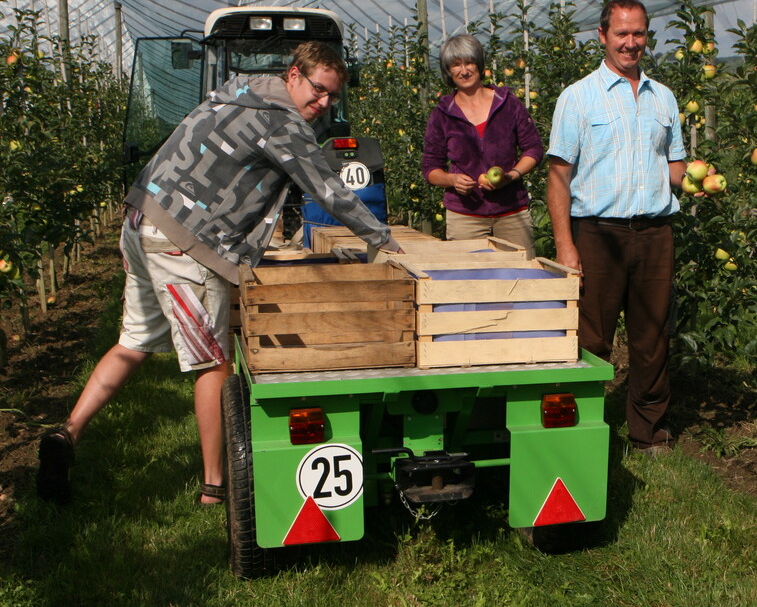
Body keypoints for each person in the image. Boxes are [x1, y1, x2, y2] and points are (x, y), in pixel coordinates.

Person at [37, 41, 400, 505]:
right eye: (318, 89)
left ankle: (66, 434)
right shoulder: (281, 120)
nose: (324, 103)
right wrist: (383, 239)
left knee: (134, 342)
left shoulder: (239, 91)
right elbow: (328, 190)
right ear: (294, 75)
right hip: (184, 241)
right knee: (213, 361)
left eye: (332, 95)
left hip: (142, 219)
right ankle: (215, 487)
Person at [546, 0, 687, 456]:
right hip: (598, 232)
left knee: (652, 336)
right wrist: (566, 245)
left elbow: (674, 166)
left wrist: (696, 181)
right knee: (592, 336)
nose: (631, 43)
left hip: (654, 232)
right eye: (622, 33)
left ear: (648, 36)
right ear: (603, 36)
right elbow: (559, 178)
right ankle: (580, 428)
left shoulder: (663, 98)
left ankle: (648, 432)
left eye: (639, 33)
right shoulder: (577, 97)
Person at [422, 34, 544, 257]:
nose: (464, 70)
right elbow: (430, 168)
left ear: (479, 64)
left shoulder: (507, 103)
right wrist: (452, 179)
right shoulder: (442, 114)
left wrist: (513, 175)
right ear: (448, 71)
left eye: (469, 62)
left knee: (521, 278)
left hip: (511, 213)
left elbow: (533, 148)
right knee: (470, 281)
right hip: (465, 216)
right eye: (456, 65)